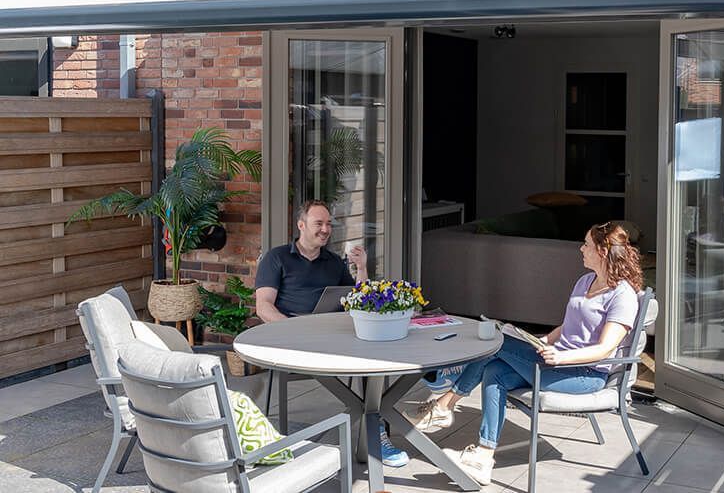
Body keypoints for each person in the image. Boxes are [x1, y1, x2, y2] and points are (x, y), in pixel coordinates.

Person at [409, 221, 642, 485]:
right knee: (495, 370)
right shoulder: (586, 281)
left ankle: (445, 404)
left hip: (584, 374)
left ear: (602, 251)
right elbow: (569, 326)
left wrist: (562, 357)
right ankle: (483, 457)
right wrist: (540, 340)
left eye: (587, 244)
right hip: (554, 361)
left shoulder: (623, 296)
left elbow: (605, 349)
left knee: (498, 343)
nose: (581, 249)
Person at [254, 199, 409, 467]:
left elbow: (361, 299)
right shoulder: (277, 258)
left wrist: (361, 268)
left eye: (328, 224)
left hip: (334, 335)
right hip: (295, 338)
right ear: (301, 225)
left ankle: (377, 437)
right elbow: (263, 307)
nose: (325, 229)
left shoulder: (334, 262)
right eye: (319, 223)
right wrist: (293, 332)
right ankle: (370, 430)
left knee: (374, 359)